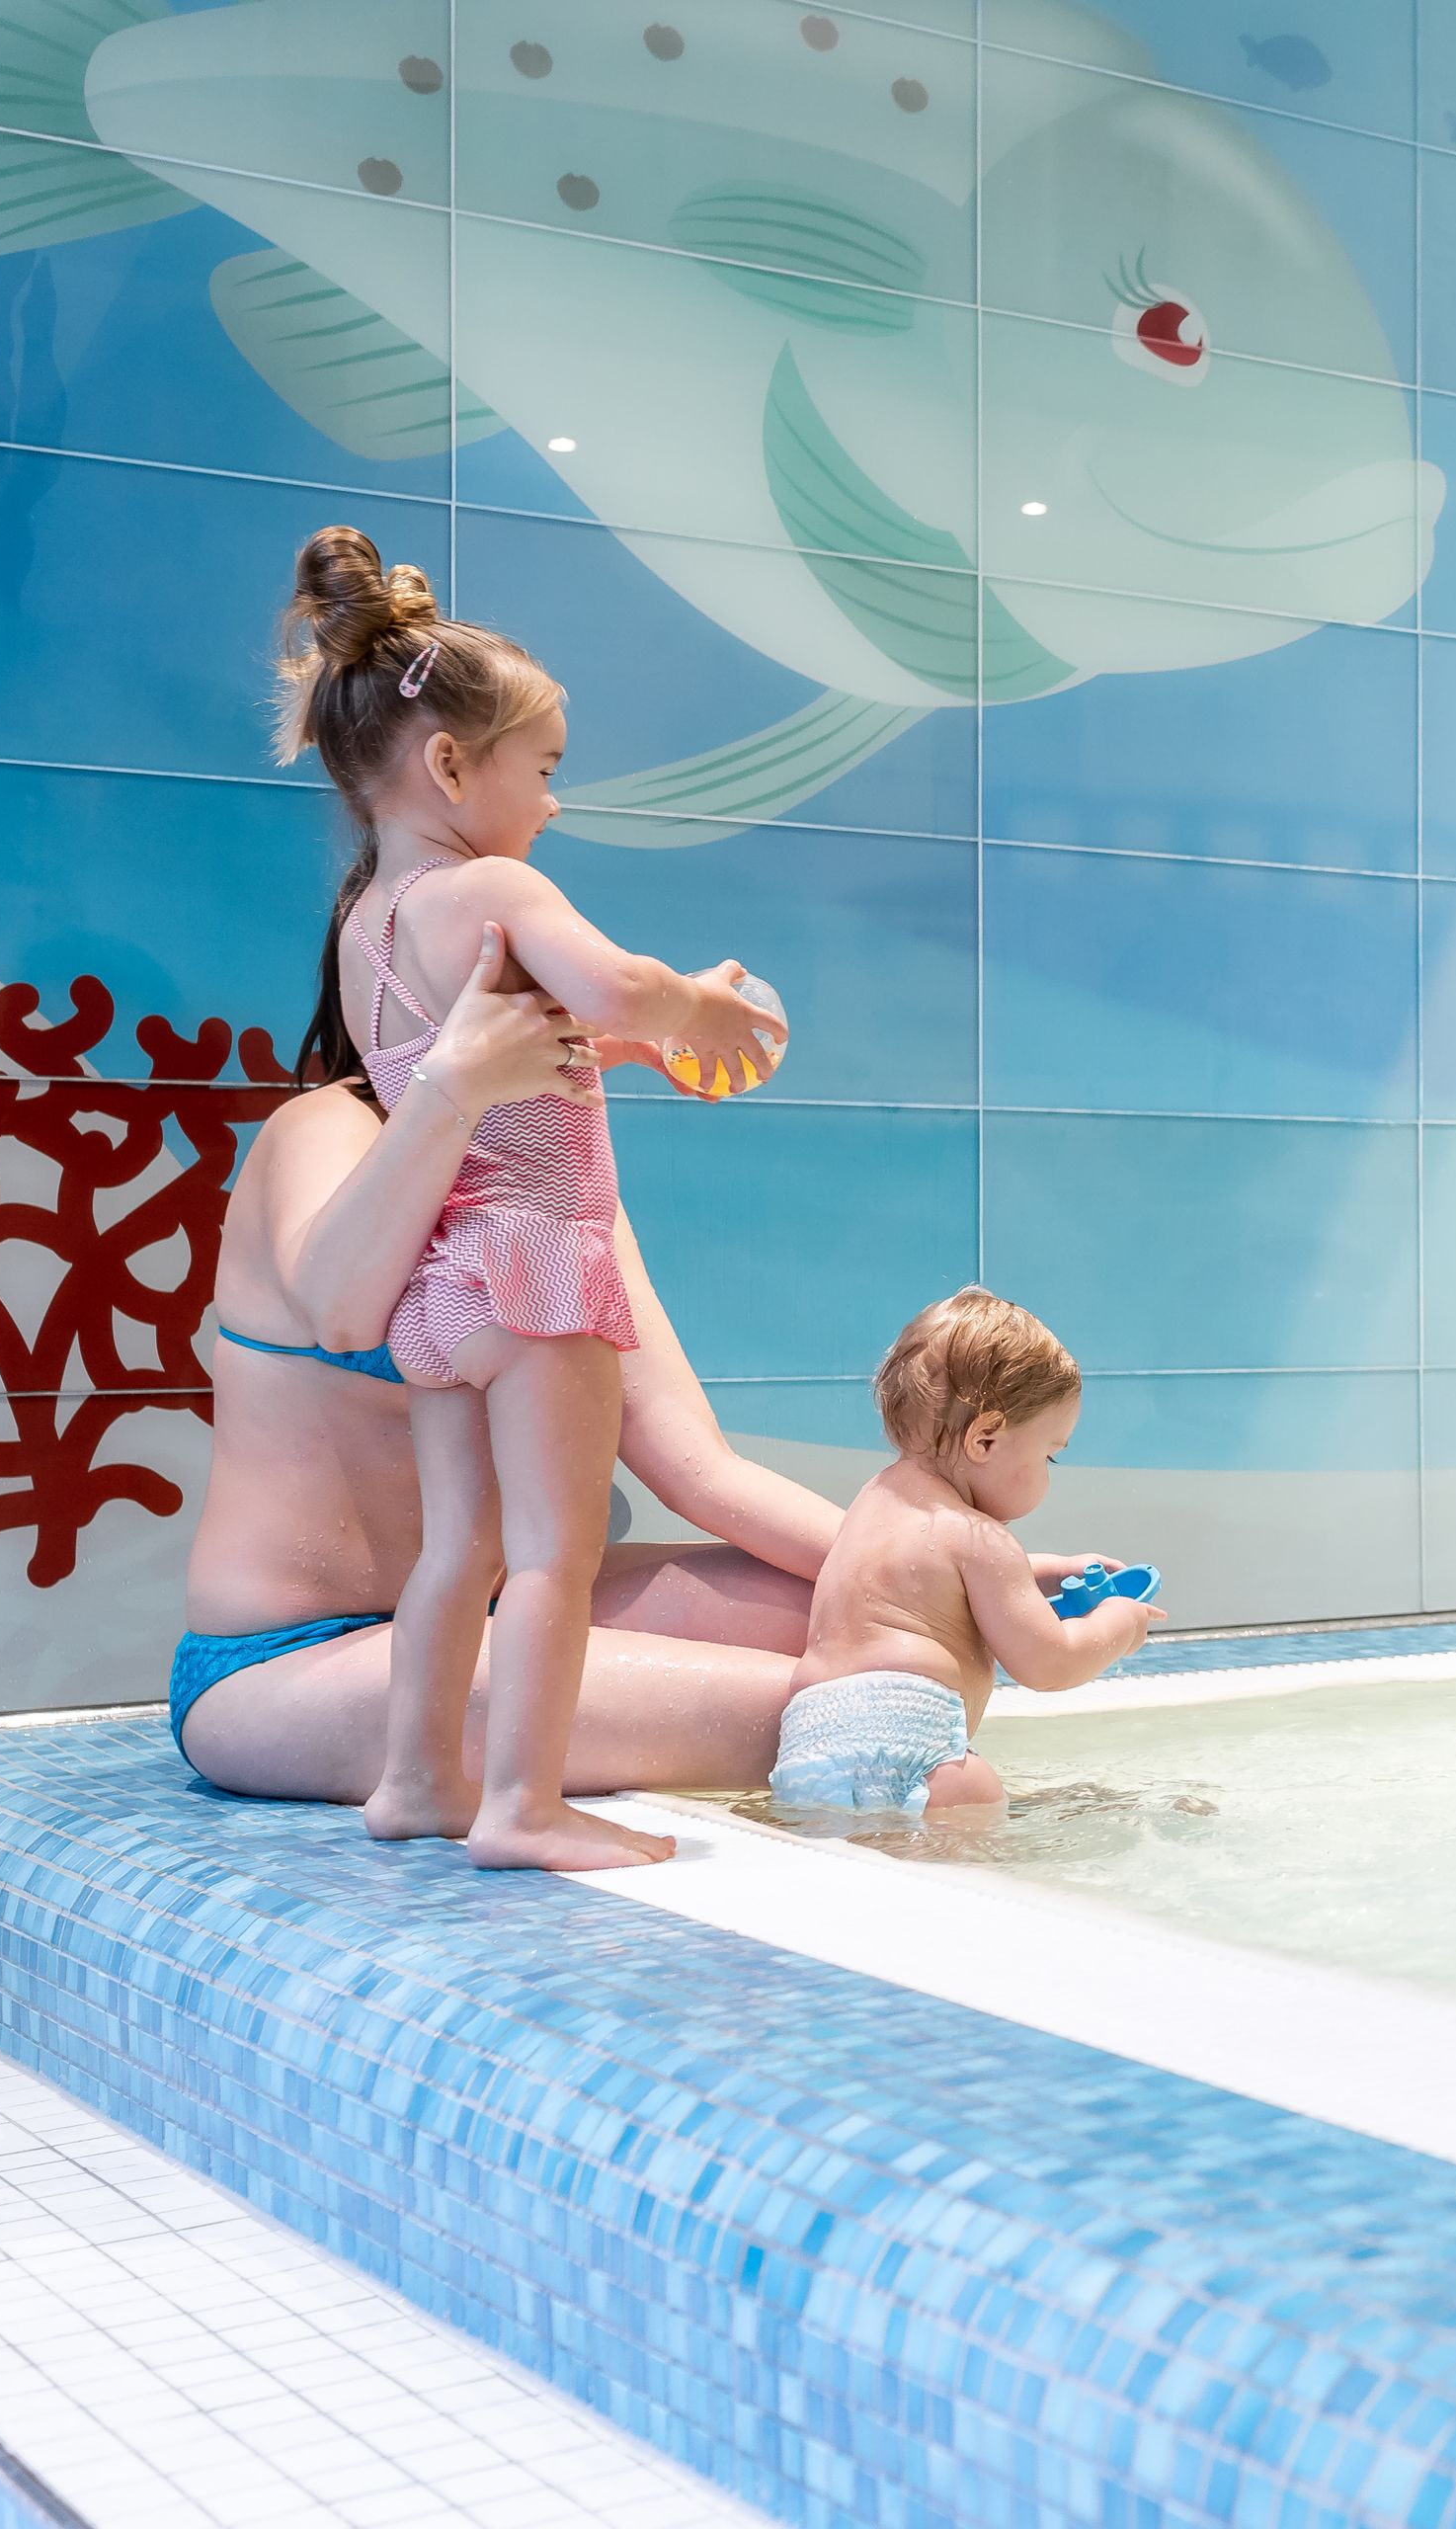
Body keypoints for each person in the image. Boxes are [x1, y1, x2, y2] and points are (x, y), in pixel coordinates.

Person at [279, 527, 782, 1869]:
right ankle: (520, 1805)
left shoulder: (367, 928)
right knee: (553, 1558)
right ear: (451, 765)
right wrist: (695, 1002)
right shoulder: (492, 883)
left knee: (461, 1555)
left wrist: (636, 1046)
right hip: (538, 1273)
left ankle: (415, 1785)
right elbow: (613, 986)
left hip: (443, 1290)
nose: (553, 805)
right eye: (544, 771)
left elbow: (521, 1059)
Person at [172, 922, 842, 1814]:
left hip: (510, 1610)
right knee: (841, 1709)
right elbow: (342, 1311)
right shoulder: (321, 1131)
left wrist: (959, 1573)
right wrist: (458, 1081)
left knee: (887, 1634)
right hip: (293, 1662)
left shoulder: (550, 1178)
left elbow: (697, 1469)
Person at [768, 1291, 1160, 1814]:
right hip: (919, 1758)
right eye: (1049, 1456)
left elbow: (936, 1579)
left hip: (807, 1752)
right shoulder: (985, 1540)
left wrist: (1051, 1571)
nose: (1048, 1472)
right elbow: (1049, 1663)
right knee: (984, 1844)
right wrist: (1119, 1623)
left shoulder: (876, 1501)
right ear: (985, 1439)